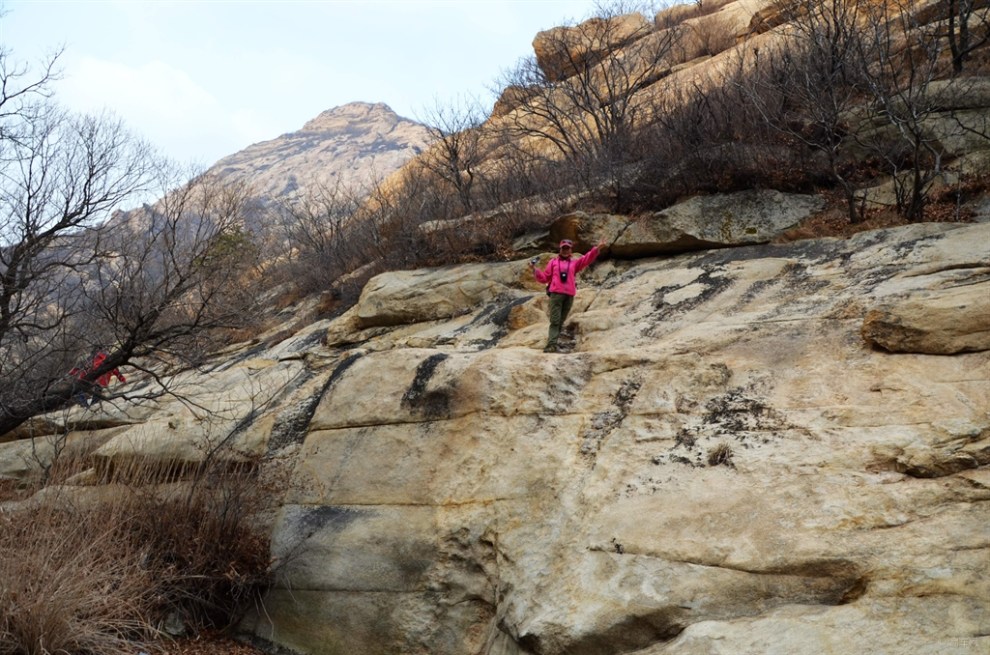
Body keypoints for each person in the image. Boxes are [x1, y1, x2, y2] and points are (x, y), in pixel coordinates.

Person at [530, 237, 607, 353]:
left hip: (569, 295)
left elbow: (586, 259)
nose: (565, 250)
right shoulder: (553, 262)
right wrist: (535, 270)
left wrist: (597, 248)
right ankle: (551, 345)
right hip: (556, 294)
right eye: (563, 248)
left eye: (568, 248)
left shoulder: (575, 262)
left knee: (561, 321)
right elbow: (545, 278)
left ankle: (554, 342)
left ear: (571, 250)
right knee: (555, 320)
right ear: (560, 249)